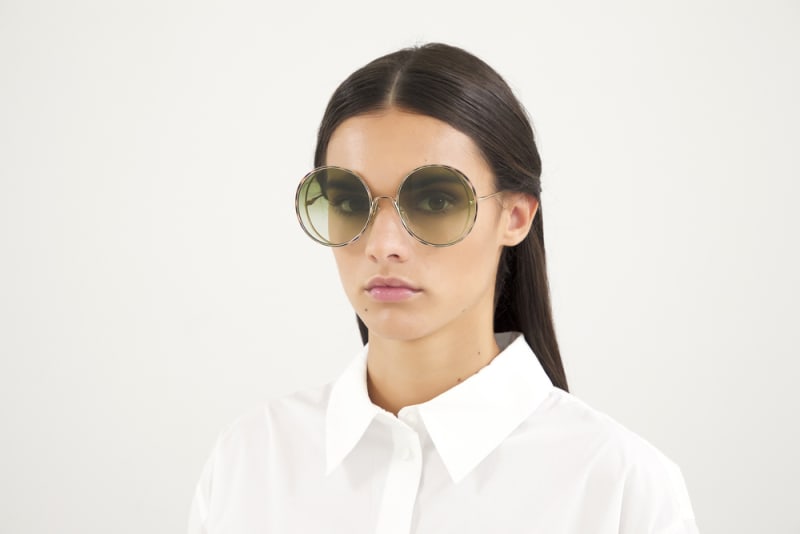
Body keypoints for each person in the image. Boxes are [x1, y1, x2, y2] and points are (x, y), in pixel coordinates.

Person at [188, 43, 699, 533]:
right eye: (347, 201)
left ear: (515, 216)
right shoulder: (250, 462)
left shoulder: (617, 487)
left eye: (435, 201)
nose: (383, 245)